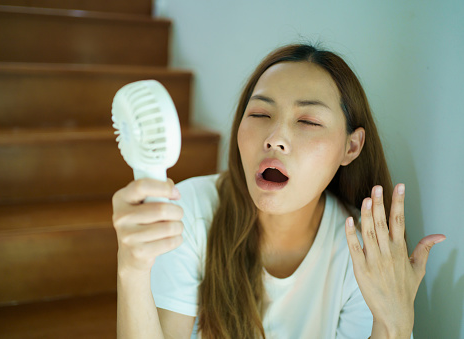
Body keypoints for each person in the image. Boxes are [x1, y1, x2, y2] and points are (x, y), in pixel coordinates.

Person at [112, 44, 446, 339]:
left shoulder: (363, 252)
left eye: (308, 121)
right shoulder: (189, 212)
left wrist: (395, 325)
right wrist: (132, 269)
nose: (274, 136)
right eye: (259, 113)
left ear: (351, 146)